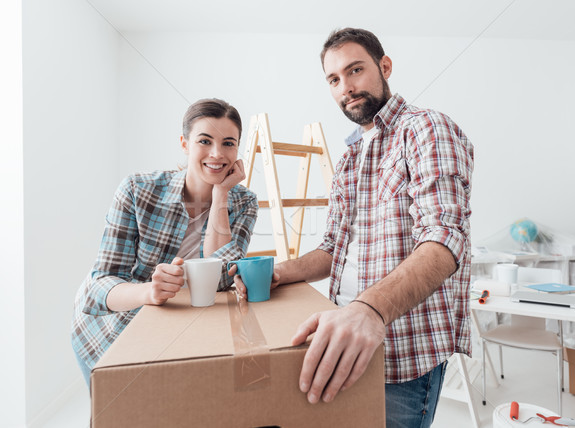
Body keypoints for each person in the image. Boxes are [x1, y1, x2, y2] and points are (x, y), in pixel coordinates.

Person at [234, 28, 473, 428]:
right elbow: (333, 248)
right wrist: (279, 272)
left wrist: (368, 310)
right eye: (333, 79)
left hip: (400, 348)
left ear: (385, 66)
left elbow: (444, 239)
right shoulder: (348, 157)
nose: (346, 87)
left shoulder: (426, 128)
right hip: (340, 332)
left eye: (355, 70)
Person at [71, 98, 258, 386]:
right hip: (109, 337)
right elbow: (99, 285)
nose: (217, 153)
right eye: (205, 141)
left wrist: (221, 193)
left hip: (175, 338)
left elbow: (221, 277)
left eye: (229, 143)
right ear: (185, 144)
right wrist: (150, 291)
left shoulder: (244, 202)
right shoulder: (137, 189)